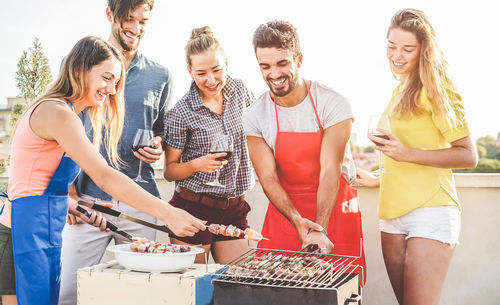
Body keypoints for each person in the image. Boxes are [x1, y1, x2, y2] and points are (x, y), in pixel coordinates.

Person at [0, 36, 205, 305]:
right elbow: (105, 176)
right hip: (19, 236)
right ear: (80, 70)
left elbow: (37, 180)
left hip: (41, 229)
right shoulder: (58, 113)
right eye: (106, 78)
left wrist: (73, 205)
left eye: (115, 82)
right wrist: (167, 213)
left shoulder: (65, 113)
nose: (111, 89)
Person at [356, 9, 477, 305]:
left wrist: (407, 153)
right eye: (391, 46)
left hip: (431, 212)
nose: (397, 55)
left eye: (407, 48)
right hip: (391, 216)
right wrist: (377, 180)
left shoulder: (438, 88)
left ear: (423, 49)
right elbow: (399, 155)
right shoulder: (399, 91)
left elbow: (468, 155)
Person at [59, 1, 172, 304]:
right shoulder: (78, 65)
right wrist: (69, 193)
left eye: (143, 21)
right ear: (110, 14)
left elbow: (159, 130)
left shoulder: (161, 76)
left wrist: (157, 145)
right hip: (88, 202)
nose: (136, 29)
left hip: (141, 202)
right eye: (128, 20)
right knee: (68, 292)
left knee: (136, 295)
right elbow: (63, 128)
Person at [243, 20, 366, 284]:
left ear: (299, 59)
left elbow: (330, 171)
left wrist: (318, 229)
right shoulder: (254, 114)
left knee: (340, 290)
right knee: (271, 290)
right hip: (286, 213)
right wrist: (298, 221)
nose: (273, 74)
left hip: (333, 211)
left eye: (282, 63)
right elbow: (267, 177)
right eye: (265, 66)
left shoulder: (333, 103)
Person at [163, 26, 255, 264]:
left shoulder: (241, 91)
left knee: (238, 288)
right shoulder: (181, 112)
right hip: (192, 208)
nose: (211, 80)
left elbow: (260, 129)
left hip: (234, 207)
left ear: (227, 63)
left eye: (217, 70)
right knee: (192, 291)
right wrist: (196, 165)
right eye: (201, 73)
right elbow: (170, 170)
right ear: (190, 71)